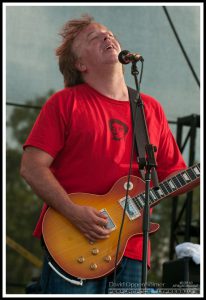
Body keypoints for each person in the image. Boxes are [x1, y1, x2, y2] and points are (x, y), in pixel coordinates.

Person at [20, 14, 191, 294]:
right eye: (93, 37)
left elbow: (174, 174)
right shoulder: (65, 103)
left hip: (133, 250)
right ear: (80, 64)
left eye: (110, 33)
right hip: (73, 241)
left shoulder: (150, 108)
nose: (107, 37)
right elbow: (31, 167)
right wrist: (74, 213)